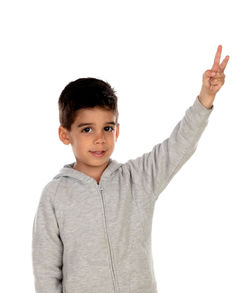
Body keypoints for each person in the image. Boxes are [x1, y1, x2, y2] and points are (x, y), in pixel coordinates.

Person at [32, 45, 229, 293]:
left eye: (108, 128)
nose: (100, 139)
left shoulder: (138, 178)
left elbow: (179, 145)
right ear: (64, 134)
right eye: (87, 129)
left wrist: (205, 98)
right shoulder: (54, 195)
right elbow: (46, 270)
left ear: (118, 130)